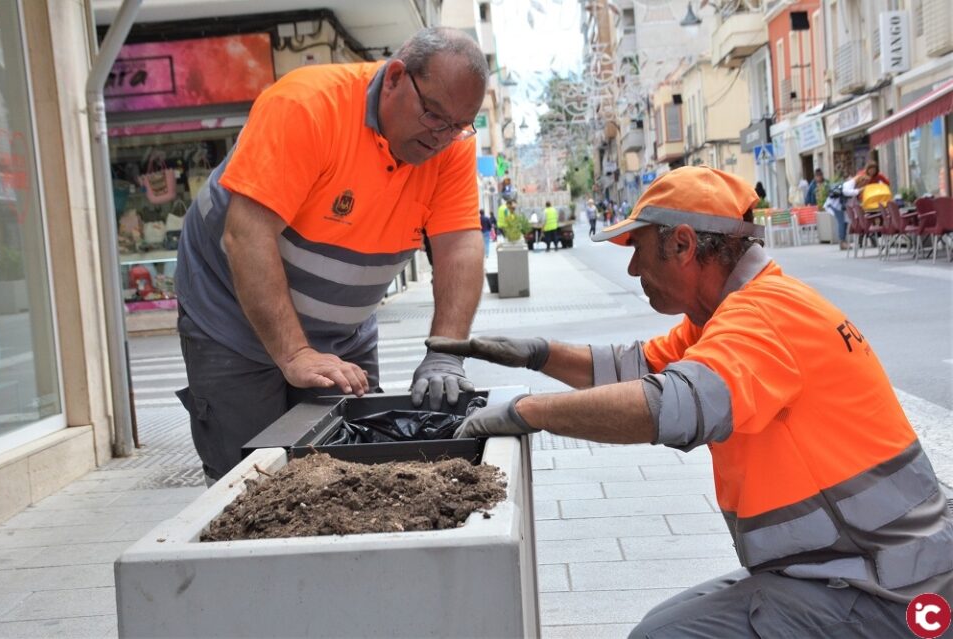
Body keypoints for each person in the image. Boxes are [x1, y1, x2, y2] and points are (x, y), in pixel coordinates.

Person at [428, 166, 952, 637]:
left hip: (882, 590)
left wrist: (526, 412)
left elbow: (668, 404)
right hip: (860, 568)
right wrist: (534, 354)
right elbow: (636, 368)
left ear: (682, 244)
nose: (633, 269)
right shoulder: (731, 314)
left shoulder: (763, 318)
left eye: (638, 248)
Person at [173, 27, 488, 483]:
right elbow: (247, 234)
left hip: (341, 332)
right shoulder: (305, 106)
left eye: (459, 125)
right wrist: (296, 353)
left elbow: (459, 245)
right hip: (229, 316)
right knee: (250, 477)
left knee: (353, 472)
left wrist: (445, 353)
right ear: (396, 76)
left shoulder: (453, 146)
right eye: (434, 116)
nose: (442, 137)